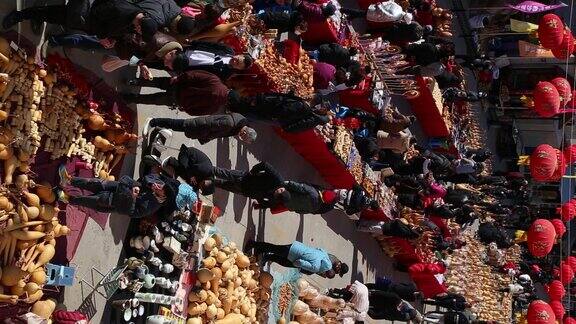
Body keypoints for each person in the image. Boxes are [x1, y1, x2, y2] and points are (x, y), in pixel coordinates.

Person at [57, 166, 172, 218]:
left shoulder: (152, 206)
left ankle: (68, 198)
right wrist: (151, 184)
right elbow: (147, 177)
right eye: (162, 186)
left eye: (162, 189)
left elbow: (133, 213)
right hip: (121, 187)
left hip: (115, 202)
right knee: (94, 183)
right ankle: (69, 180)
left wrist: (132, 197)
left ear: (164, 196)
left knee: (89, 200)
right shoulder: (159, 183)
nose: (160, 186)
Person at [123, 70, 230, 115]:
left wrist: (179, 78)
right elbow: (196, 112)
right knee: (152, 99)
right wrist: (185, 108)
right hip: (177, 100)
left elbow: (194, 76)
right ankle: (130, 98)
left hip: (177, 85)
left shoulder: (215, 81)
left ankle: (134, 81)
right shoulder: (215, 107)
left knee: (156, 82)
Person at [228, 92, 330, 133]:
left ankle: (234, 114)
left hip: (273, 112)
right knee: (256, 116)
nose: (309, 94)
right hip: (275, 115)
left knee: (255, 115)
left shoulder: (302, 105)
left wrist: (274, 110)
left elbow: (285, 109)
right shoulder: (306, 108)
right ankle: (236, 114)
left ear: (313, 98)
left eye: (312, 94)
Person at [245, 240, 349, 278]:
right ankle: (253, 243)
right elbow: (299, 262)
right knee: (274, 248)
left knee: (276, 249)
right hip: (294, 254)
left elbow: (319, 249)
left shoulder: (325, 256)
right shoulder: (317, 267)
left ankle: (260, 248)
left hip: (298, 247)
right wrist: (297, 264)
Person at [159, 41, 254, 79]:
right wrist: (193, 42)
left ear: (239, 69)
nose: (235, 61)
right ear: (240, 54)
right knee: (161, 55)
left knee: (163, 66)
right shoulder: (228, 50)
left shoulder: (225, 74)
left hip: (187, 66)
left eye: (237, 64)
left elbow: (204, 76)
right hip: (188, 51)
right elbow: (210, 44)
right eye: (237, 59)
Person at [141, 114, 257, 145]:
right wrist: (202, 136)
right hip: (198, 126)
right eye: (243, 138)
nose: (240, 138)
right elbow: (211, 125)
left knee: (175, 125)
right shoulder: (231, 125)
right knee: (174, 124)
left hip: (200, 126)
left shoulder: (238, 122)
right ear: (245, 132)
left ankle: (156, 123)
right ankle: (153, 121)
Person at [213, 161, 284, 203]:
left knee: (221, 184)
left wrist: (257, 199)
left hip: (243, 190)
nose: (275, 193)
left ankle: (205, 180)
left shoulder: (275, 198)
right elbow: (265, 165)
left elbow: (264, 199)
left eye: (276, 195)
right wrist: (252, 172)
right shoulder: (278, 180)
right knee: (220, 172)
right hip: (245, 177)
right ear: (282, 189)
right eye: (278, 192)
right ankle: (203, 168)